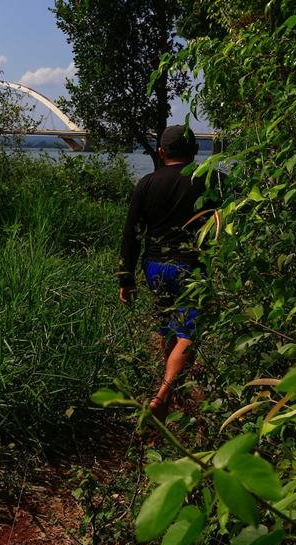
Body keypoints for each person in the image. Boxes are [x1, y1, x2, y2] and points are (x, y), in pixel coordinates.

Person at [117, 124, 212, 420]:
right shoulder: (209, 180)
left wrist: (126, 278)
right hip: (190, 266)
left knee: (167, 326)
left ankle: (170, 392)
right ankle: (163, 394)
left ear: (161, 152)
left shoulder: (146, 183)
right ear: (195, 152)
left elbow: (131, 233)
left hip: (154, 266)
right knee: (189, 334)